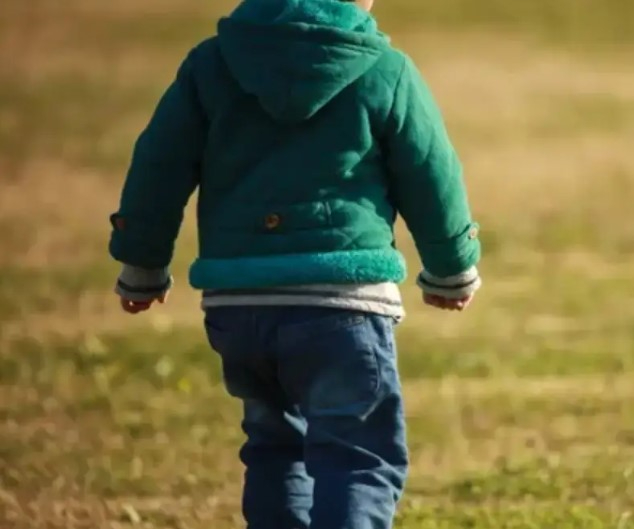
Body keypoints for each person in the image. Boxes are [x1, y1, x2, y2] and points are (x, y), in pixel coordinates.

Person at [109, 0, 481, 527]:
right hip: (344, 305)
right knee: (356, 457)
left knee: (277, 450)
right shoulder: (384, 69)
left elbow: (158, 167)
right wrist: (452, 268)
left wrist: (142, 266)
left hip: (240, 306)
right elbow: (431, 173)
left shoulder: (211, 65)